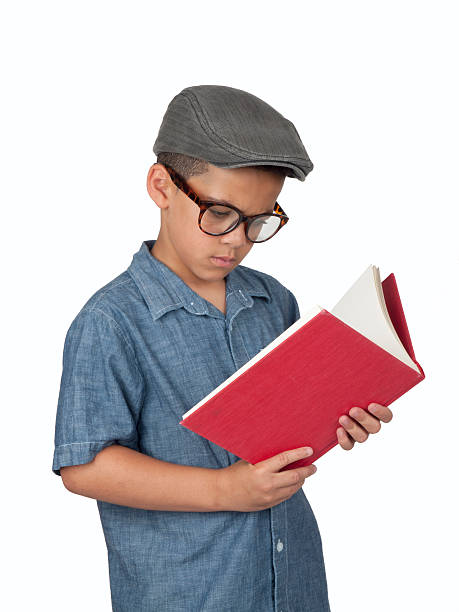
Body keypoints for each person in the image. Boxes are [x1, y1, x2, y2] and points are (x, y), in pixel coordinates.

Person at [52, 84, 393, 612]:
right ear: (161, 186)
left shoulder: (272, 301)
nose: (237, 239)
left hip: (291, 578)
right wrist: (224, 491)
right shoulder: (111, 321)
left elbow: (286, 427)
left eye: (259, 221)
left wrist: (339, 416)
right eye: (218, 213)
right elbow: (85, 467)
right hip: (189, 591)